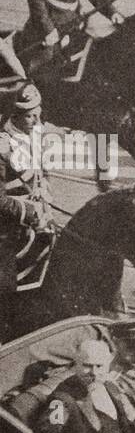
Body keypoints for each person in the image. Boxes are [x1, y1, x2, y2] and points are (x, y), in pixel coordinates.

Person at [0, 82, 56, 298]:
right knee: (6, 288)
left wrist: (45, 195)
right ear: (13, 116)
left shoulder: (33, 133)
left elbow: (42, 171)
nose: (37, 121)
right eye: (30, 116)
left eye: (38, 114)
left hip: (37, 220)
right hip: (7, 227)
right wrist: (30, 212)